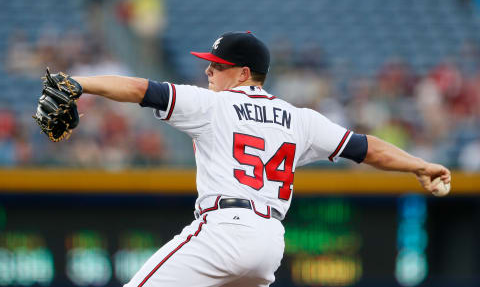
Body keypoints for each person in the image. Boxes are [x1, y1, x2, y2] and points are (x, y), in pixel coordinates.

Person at [69, 31, 450, 287]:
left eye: (217, 66)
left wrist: (80, 83)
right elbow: (369, 149)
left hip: (224, 229)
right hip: (270, 242)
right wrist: (420, 165)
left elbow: (138, 89)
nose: (208, 70)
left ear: (244, 73)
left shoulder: (212, 105)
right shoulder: (301, 119)